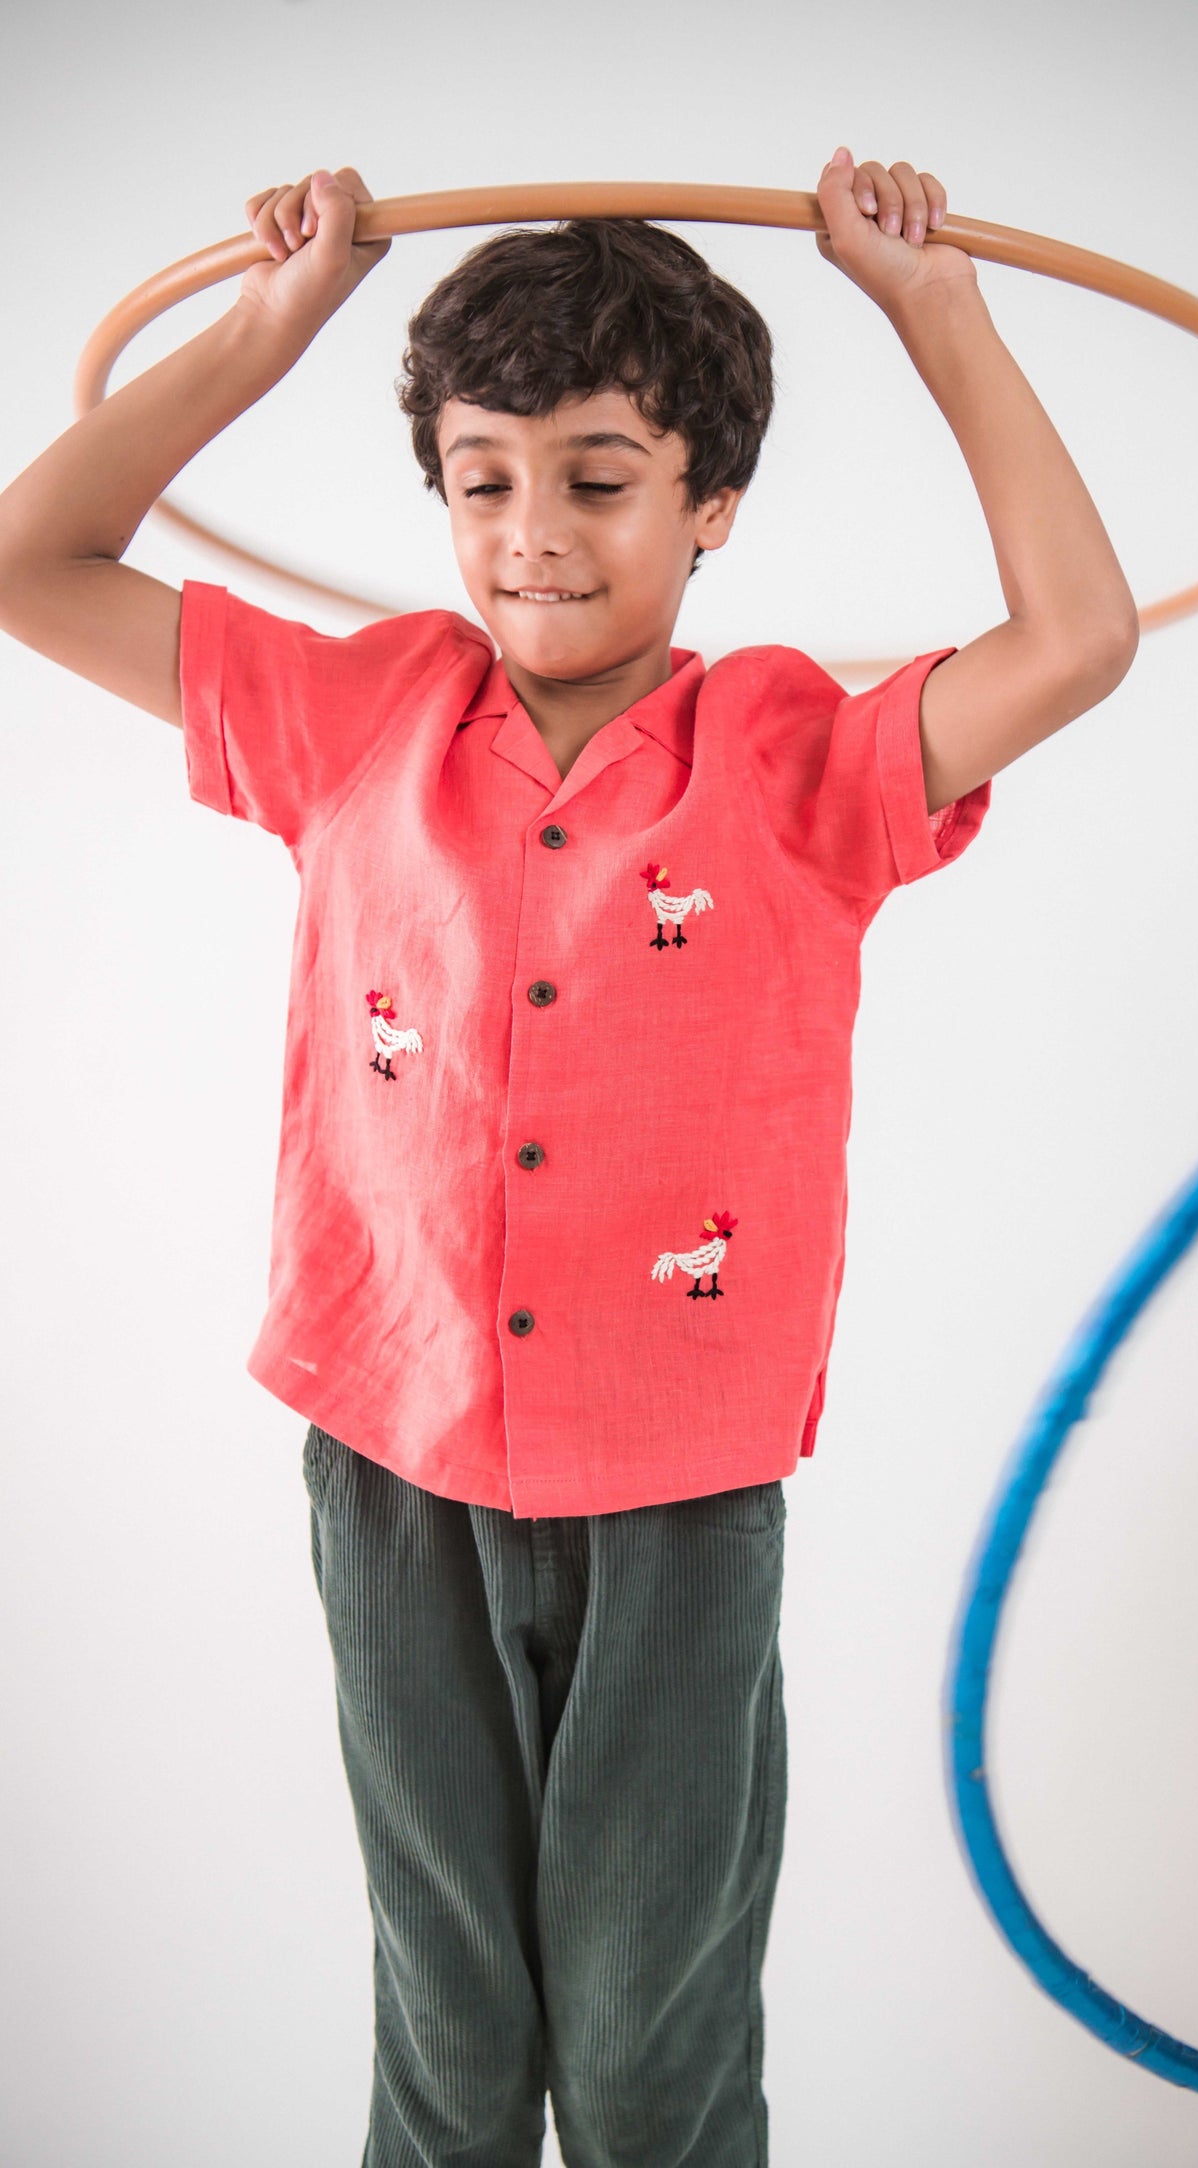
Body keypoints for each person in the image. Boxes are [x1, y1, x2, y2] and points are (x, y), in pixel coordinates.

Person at [0, 149, 1138, 2167]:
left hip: (677, 1489)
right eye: (483, 475)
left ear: (712, 504)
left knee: (643, 2039)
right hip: (394, 1449)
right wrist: (273, 326)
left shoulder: (801, 762)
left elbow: (1075, 637)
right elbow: (30, 557)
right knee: (451, 2032)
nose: (532, 532)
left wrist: (933, 308)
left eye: (601, 478)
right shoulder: (360, 718)